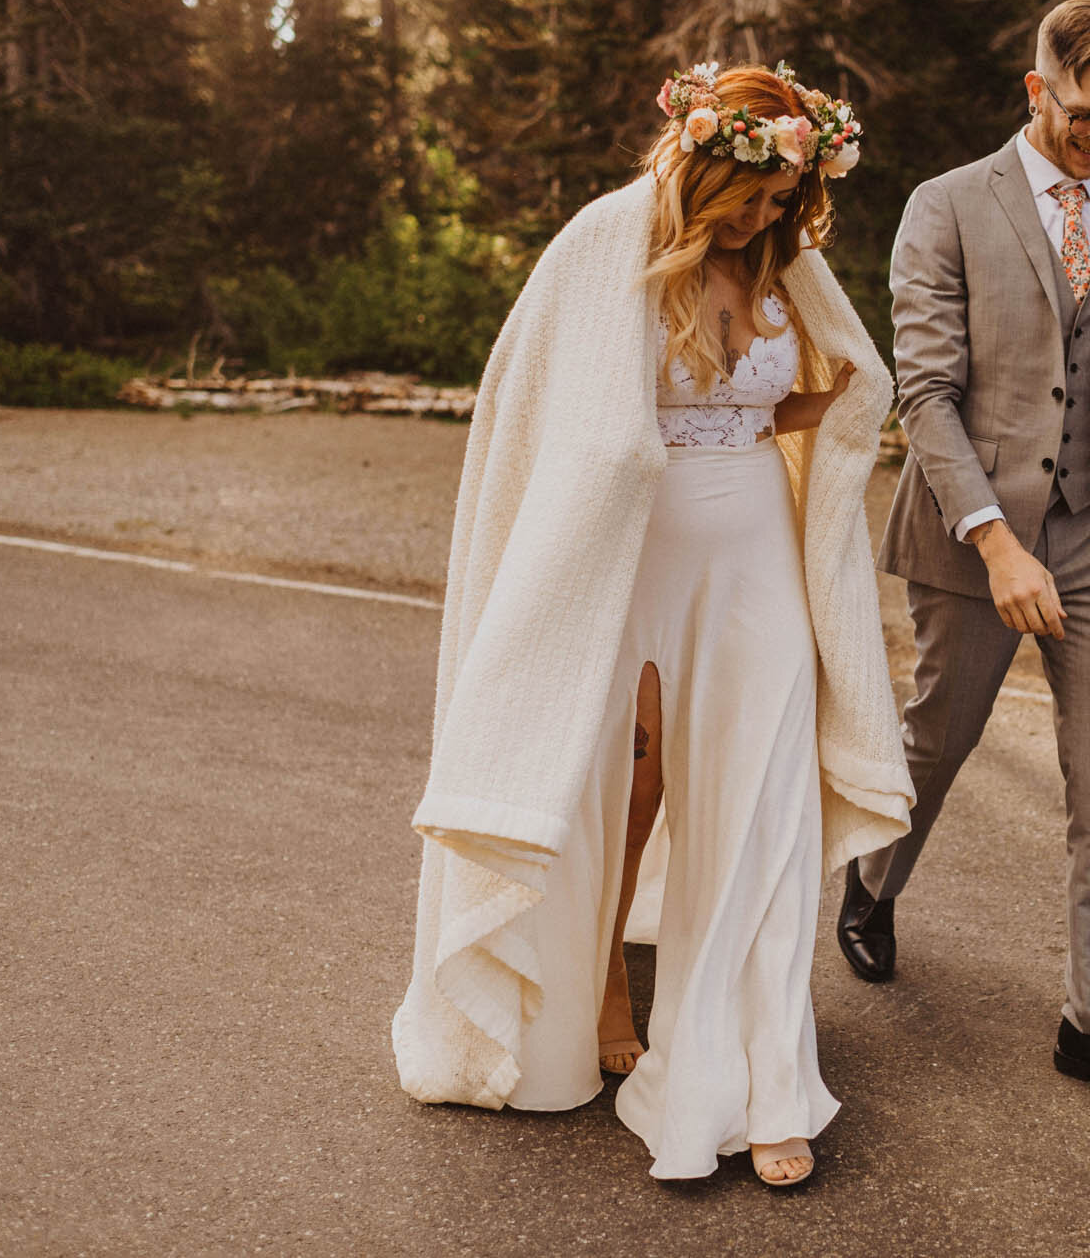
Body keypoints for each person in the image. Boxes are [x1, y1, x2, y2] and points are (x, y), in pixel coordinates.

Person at [390, 61, 914, 1186]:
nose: (767, 220)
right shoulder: (607, 245)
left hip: (756, 551)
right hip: (629, 552)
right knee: (615, 784)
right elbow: (553, 409)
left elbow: (796, 392)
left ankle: (758, 1082)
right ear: (707, 162)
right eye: (754, 197)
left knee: (755, 806)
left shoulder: (784, 265)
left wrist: (826, 405)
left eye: (785, 202)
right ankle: (593, 989)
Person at [840, 0, 1090, 1118]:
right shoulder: (943, 206)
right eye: (1084, 117)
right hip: (975, 533)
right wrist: (994, 544)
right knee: (937, 739)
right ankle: (872, 879)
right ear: (1034, 91)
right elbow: (927, 395)